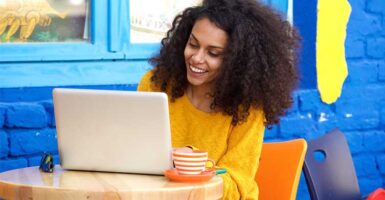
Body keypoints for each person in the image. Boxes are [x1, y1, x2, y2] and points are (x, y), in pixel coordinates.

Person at [137, 0, 300, 199]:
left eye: (213, 53)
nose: (196, 58)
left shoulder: (247, 107)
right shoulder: (156, 84)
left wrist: (192, 163)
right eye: (193, 44)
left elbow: (238, 186)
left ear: (237, 61)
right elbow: (139, 157)